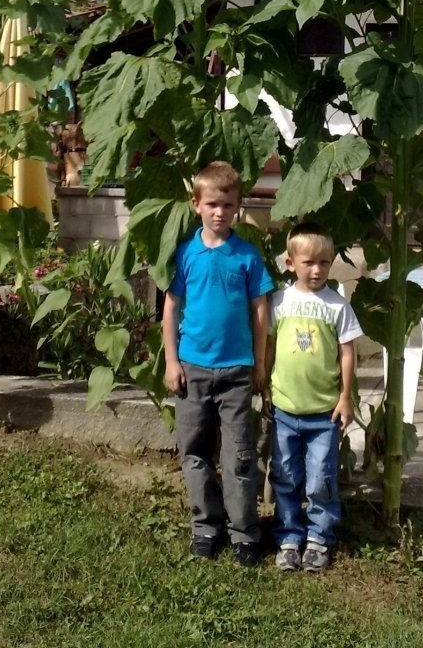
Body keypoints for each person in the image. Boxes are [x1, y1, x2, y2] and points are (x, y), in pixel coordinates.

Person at [163, 160, 274, 566]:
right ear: (196, 205)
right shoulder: (186, 254)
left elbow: (260, 310)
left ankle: (245, 532)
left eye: (227, 205)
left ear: (238, 207)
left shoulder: (246, 256)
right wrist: (171, 361)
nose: (219, 212)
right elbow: (171, 308)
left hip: (235, 373)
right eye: (211, 204)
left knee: (239, 455)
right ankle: (205, 528)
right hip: (191, 369)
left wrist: (260, 363)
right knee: (194, 452)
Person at [265, 222, 362, 573]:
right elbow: (271, 344)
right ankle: (289, 535)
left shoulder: (337, 306)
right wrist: (263, 380)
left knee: (321, 477)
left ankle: (319, 537)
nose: (317, 269)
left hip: (324, 413)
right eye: (309, 262)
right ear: (290, 263)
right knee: (286, 475)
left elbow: (347, 353)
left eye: (324, 262)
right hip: (285, 407)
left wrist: (345, 396)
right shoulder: (280, 301)